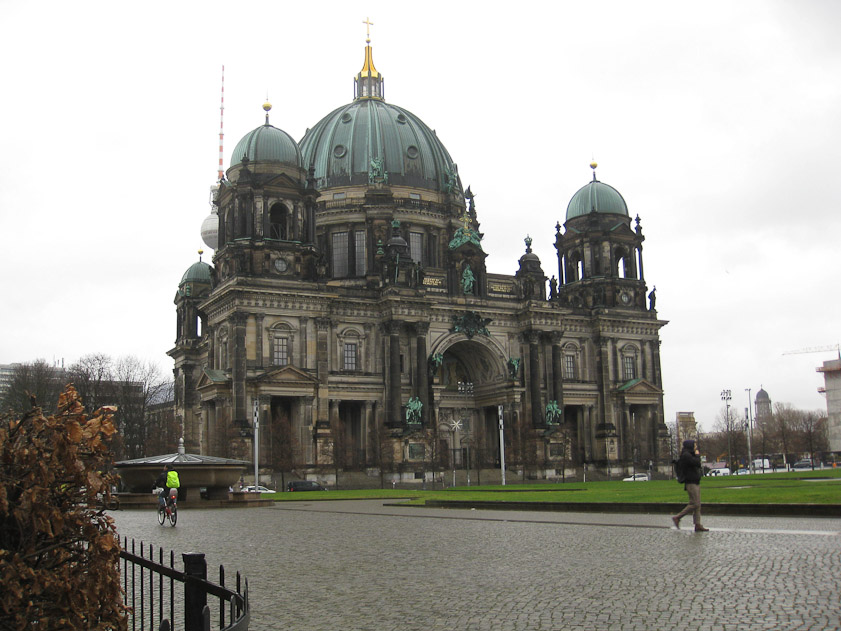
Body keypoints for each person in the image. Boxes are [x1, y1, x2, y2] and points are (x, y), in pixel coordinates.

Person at [672, 439, 709, 532]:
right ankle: (678, 517)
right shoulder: (686, 455)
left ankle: (697, 524)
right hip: (691, 482)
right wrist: (697, 455)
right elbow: (696, 463)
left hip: (694, 481)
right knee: (695, 504)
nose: (695, 446)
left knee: (697, 504)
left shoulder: (688, 454)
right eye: (694, 445)